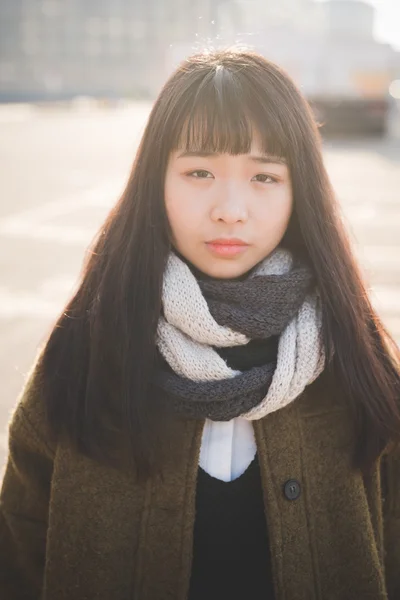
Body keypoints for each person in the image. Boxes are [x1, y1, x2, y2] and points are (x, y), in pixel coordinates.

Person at [1, 48, 399, 600]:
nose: (231, 208)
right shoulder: (86, 349)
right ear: (155, 183)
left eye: (264, 175)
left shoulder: (354, 355)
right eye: (200, 171)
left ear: (298, 191)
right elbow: (19, 549)